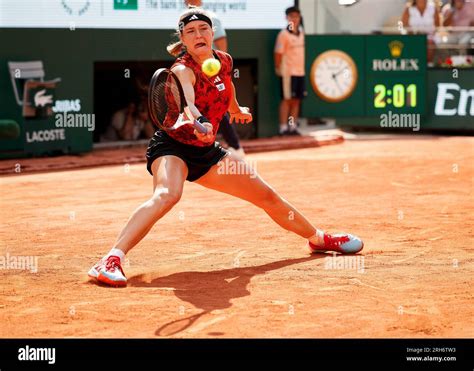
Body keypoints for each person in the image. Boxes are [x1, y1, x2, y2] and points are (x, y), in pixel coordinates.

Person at [88, 7, 363, 287]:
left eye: (203, 29)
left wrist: (235, 108)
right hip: (173, 146)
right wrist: (198, 121)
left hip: (206, 153)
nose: (198, 35)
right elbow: (190, 104)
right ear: (182, 39)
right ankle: (111, 259)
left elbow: (226, 85)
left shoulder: (224, 60)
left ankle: (318, 238)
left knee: (266, 195)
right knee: (168, 194)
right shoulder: (182, 69)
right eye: (191, 32)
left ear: (212, 33)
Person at [185, 0, 245, 158]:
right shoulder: (184, 19)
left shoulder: (211, 18)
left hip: (212, 73)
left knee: (217, 108)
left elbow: (221, 45)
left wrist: (219, 70)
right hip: (195, 72)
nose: (188, 1)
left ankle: (235, 147)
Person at [274, 6, 306, 136]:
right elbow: (278, 53)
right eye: (291, 16)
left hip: (300, 72)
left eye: (296, 16)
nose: (294, 19)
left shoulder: (302, 32)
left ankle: (292, 127)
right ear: (287, 18)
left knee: (296, 100)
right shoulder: (283, 35)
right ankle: (283, 128)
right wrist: (278, 68)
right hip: (288, 73)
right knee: (287, 100)